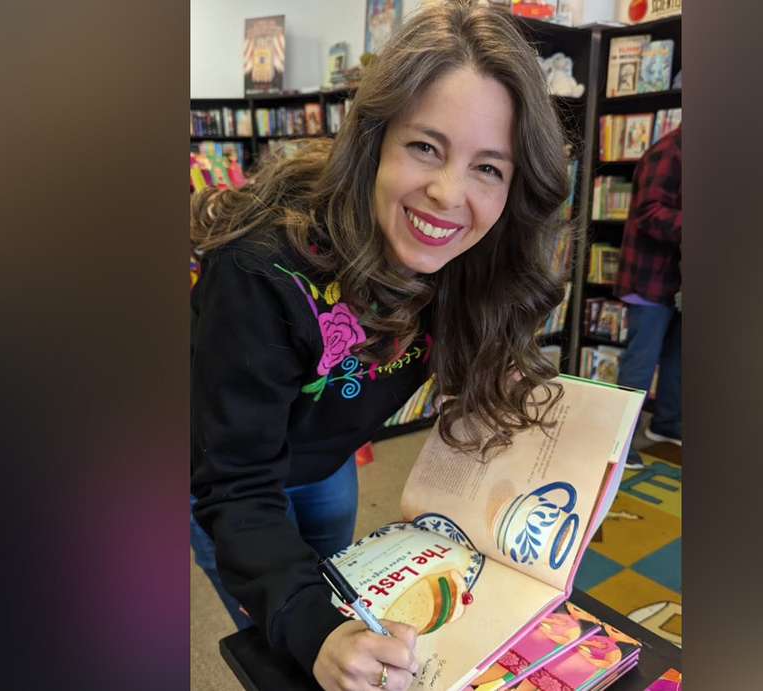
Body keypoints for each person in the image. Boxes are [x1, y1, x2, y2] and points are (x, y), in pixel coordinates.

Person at [190, 3, 572, 689]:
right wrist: (313, 631)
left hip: (325, 459)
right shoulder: (259, 267)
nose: (448, 193)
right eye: (425, 146)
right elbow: (236, 482)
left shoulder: (472, 260)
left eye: (490, 167)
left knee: (347, 605)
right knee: (293, 640)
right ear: (375, 140)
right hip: (220, 466)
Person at [614, 125, 682, 465]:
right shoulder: (669, 151)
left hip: (678, 281)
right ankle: (619, 443)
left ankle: (667, 426)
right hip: (649, 279)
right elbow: (649, 212)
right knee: (640, 361)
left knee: (678, 359)